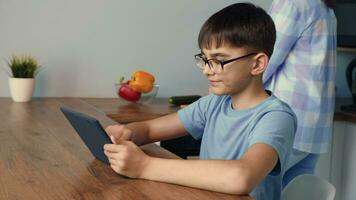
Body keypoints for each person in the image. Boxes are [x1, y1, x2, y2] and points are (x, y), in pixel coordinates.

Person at [104, 3, 296, 199]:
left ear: (257, 64)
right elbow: (150, 130)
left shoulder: (276, 117)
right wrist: (128, 133)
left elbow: (242, 176)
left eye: (218, 60)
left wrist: (145, 166)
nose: (206, 70)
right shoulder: (213, 103)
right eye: (204, 59)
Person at [264, 0, 337, 186]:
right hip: (314, 126)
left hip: (287, 121)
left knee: (258, 189)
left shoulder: (293, 3)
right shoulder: (325, 7)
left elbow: (263, 61)